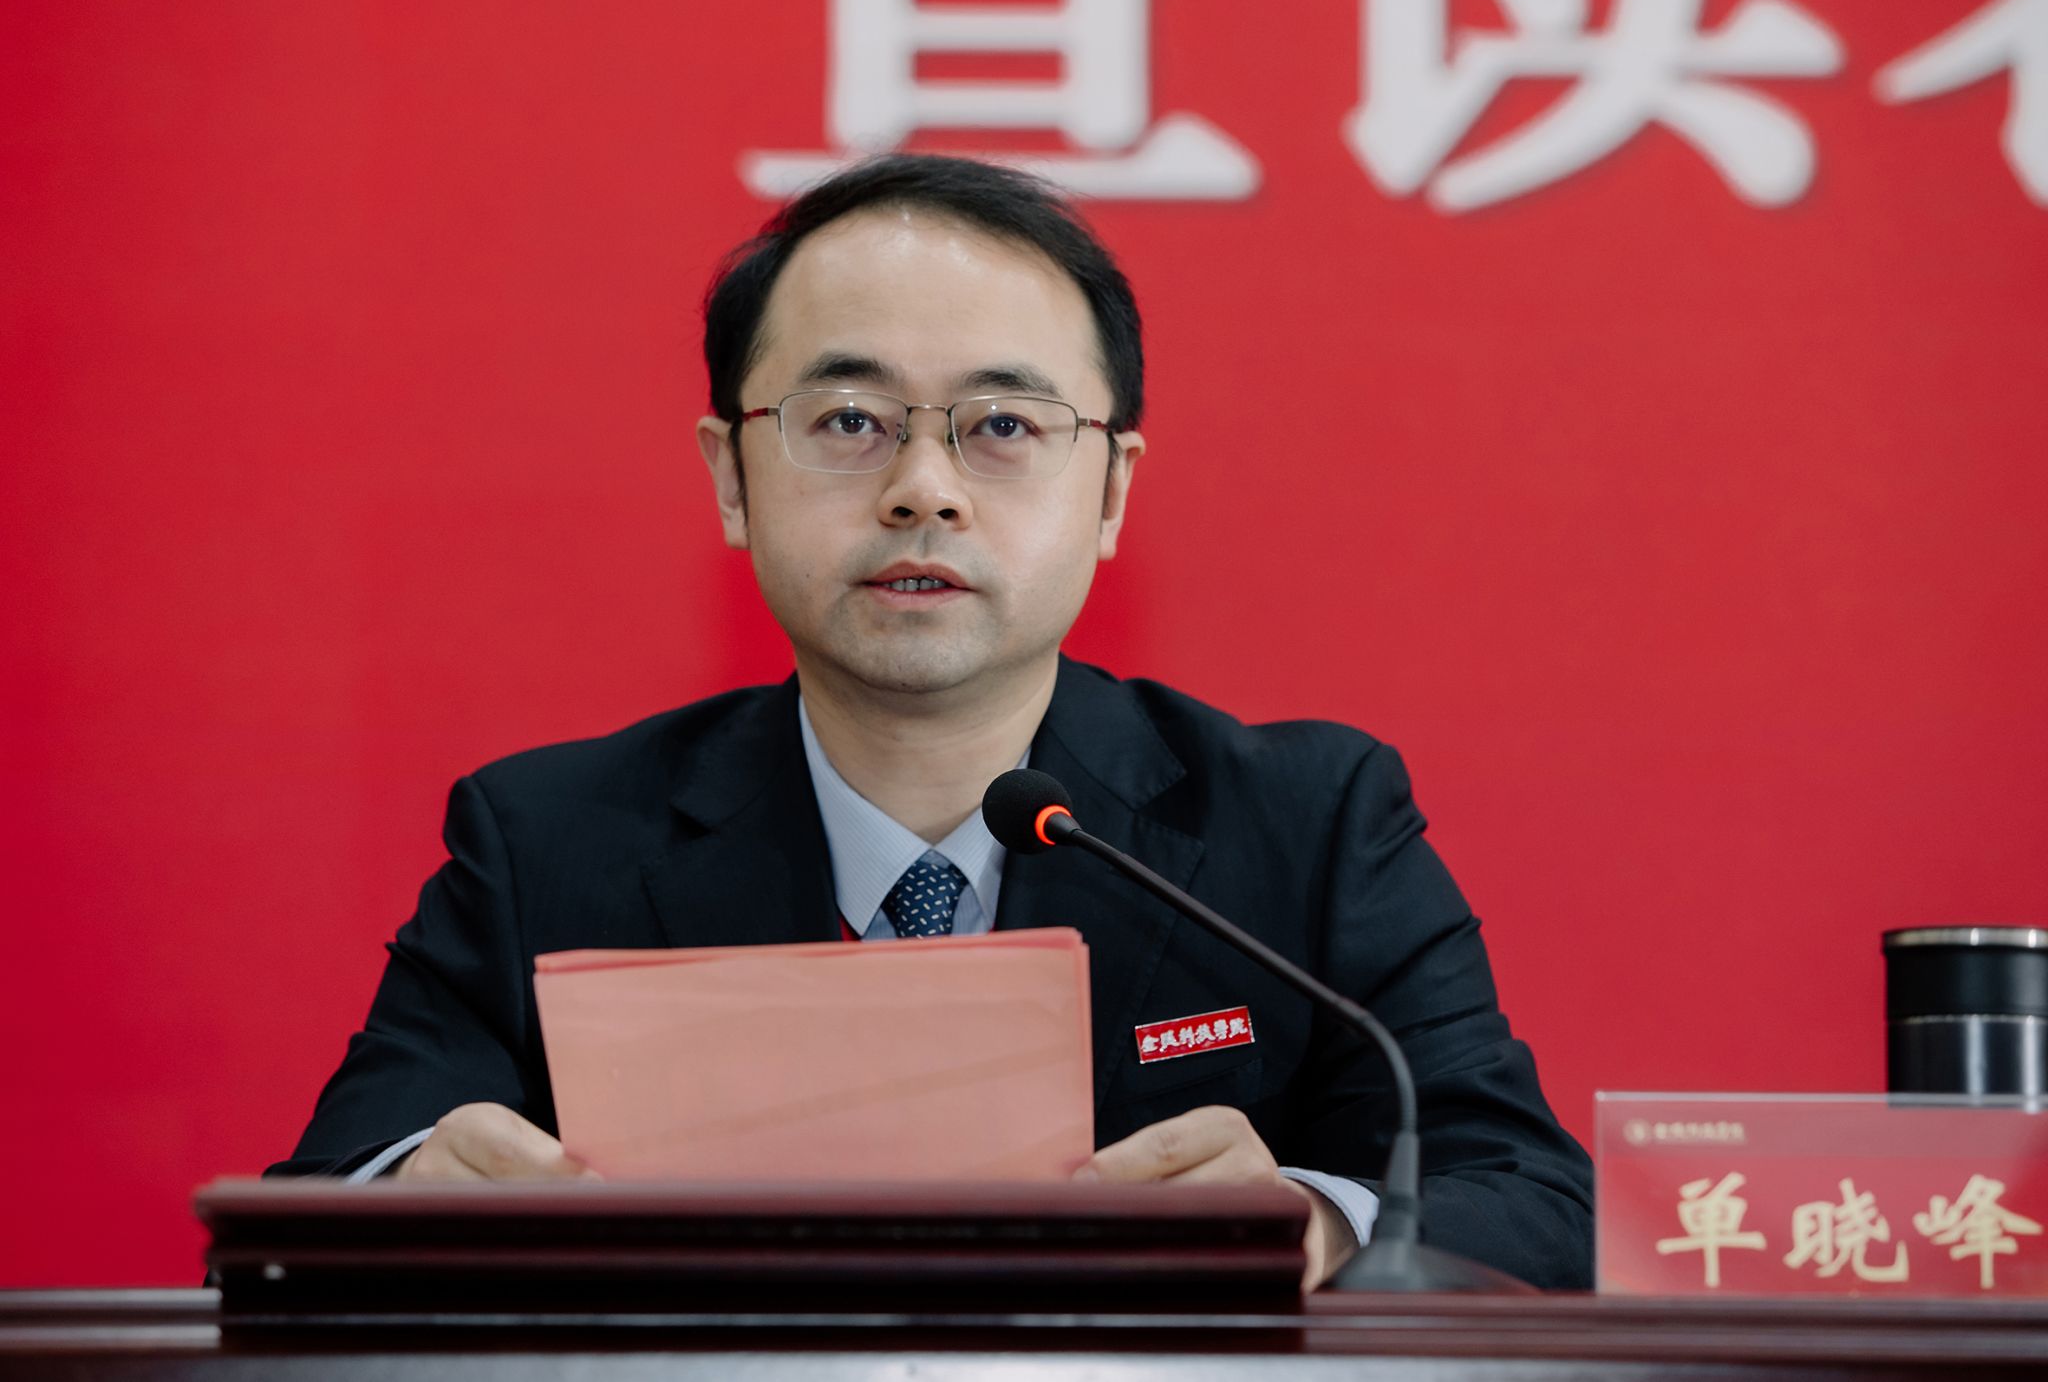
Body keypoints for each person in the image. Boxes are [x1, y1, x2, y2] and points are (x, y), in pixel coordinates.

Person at [270, 153, 1594, 1291]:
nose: (923, 489)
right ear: (732, 475)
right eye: (849, 420)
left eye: (1001, 425)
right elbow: (298, 1222)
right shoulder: (546, 842)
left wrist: (1317, 1222)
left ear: (1111, 492)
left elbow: (1537, 1203)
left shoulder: (1306, 826)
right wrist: (412, 1196)